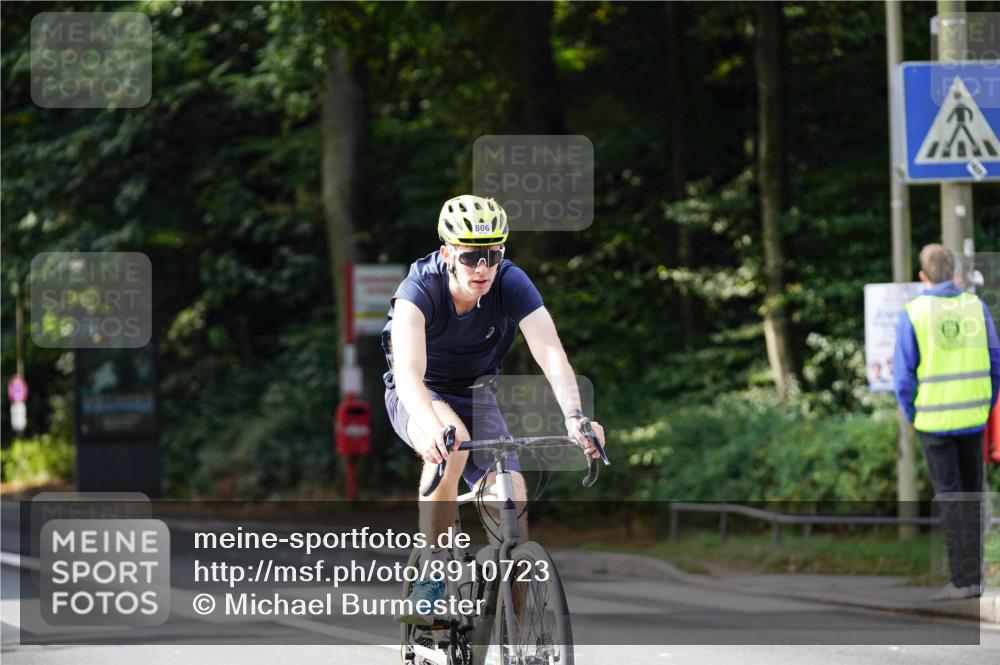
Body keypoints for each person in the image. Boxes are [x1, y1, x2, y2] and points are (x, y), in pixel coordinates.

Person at [381, 194, 606, 624]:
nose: (482, 268)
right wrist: (430, 429)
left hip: (477, 391)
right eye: (470, 257)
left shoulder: (511, 282)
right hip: (419, 392)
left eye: (492, 255)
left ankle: (518, 630)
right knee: (455, 442)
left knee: (511, 499)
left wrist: (575, 416)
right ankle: (433, 565)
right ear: (448, 252)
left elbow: (551, 354)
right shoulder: (419, 289)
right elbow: (408, 375)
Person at [892, 243, 999, 601]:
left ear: (922, 276)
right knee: (973, 496)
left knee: (952, 499)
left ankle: (962, 579)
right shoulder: (976, 306)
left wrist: (915, 414)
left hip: (934, 423)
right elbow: (996, 363)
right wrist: (985, 404)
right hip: (973, 419)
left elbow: (903, 378)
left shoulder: (913, 313)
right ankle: (977, 579)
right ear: (955, 272)